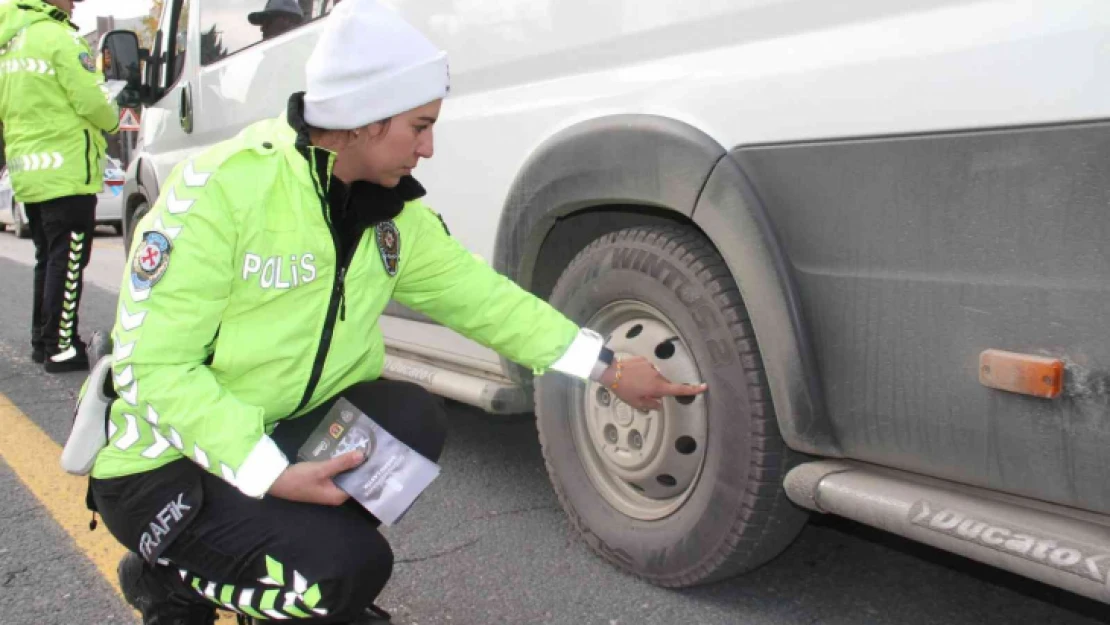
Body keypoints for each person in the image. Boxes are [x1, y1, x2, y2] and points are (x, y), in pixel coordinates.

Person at [79, 1, 706, 623]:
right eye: (419, 126)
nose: (429, 148)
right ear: (363, 120)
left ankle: (272, 557)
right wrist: (267, 472)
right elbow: (152, 369)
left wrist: (607, 368)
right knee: (346, 571)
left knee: (411, 419)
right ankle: (173, 580)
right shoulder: (220, 193)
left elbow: (490, 304)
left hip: (270, 427)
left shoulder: (391, 218)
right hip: (163, 465)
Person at [0, 0, 119, 372]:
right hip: (65, 169)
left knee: (48, 258)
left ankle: (42, 340)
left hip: (30, 172)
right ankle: (61, 347)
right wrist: (112, 118)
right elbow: (92, 101)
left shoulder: (11, 44)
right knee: (68, 261)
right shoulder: (59, 38)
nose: (73, 5)